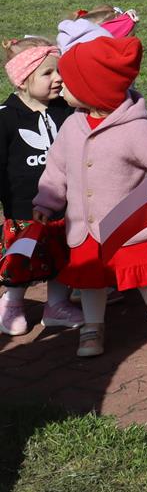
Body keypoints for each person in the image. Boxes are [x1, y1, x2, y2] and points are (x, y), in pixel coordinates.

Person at [32, 31, 147, 357]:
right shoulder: (72, 126)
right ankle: (93, 326)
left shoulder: (135, 130)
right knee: (90, 277)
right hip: (84, 225)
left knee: (145, 272)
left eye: (70, 83)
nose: (61, 86)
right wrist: (46, 200)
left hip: (129, 224)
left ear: (93, 90)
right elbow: (57, 167)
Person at [0, 37, 83, 334]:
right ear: (22, 80)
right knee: (21, 260)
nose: (58, 78)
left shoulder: (65, 109)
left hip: (65, 203)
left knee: (63, 257)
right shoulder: (5, 117)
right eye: (47, 73)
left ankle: (56, 305)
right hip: (24, 209)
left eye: (58, 71)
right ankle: (11, 304)